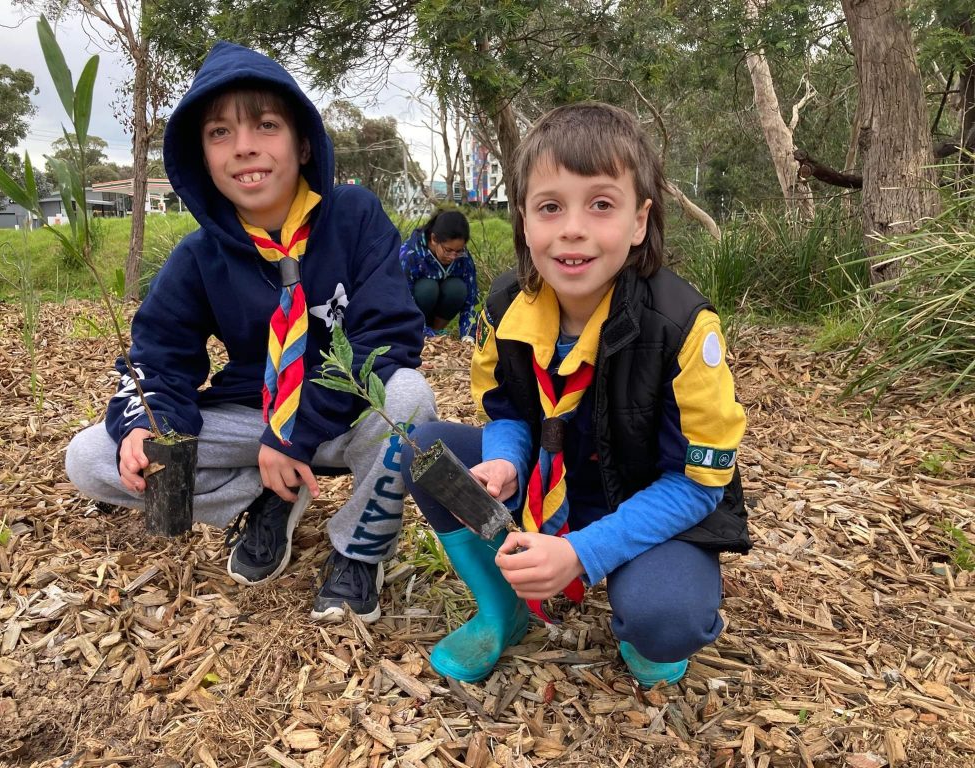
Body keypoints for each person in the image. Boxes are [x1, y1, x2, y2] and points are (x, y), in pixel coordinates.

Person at [65, 41, 436, 624]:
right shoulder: (198, 256)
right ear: (202, 157)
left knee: (410, 396)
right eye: (219, 133)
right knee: (91, 457)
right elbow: (158, 357)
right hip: (251, 416)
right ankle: (268, 498)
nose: (244, 148)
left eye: (265, 125)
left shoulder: (355, 217)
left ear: (303, 141)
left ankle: (359, 550)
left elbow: (389, 336)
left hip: (338, 418)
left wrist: (293, 433)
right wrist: (148, 425)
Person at [402, 102, 749, 686]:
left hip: (649, 501)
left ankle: (640, 611)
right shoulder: (507, 305)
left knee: (667, 620)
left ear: (640, 220)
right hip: (549, 481)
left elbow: (697, 483)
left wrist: (584, 553)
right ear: (524, 220)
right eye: (550, 207)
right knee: (427, 450)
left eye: (602, 205)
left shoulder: (684, 327)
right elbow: (507, 410)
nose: (572, 228)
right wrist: (508, 462)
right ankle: (502, 609)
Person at [399, 210, 479, 340]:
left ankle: (437, 331)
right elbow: (403, 300)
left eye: (458, 251)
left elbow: (472, 298)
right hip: (416, 309)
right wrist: (423, 330)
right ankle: (421, 332)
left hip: (440, 310)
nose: (453, 257)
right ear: (434, 239)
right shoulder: (410, 255)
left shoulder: (463, 257)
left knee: (457, 288)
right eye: (448, 250)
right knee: (428, 288)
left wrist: (469, 335)